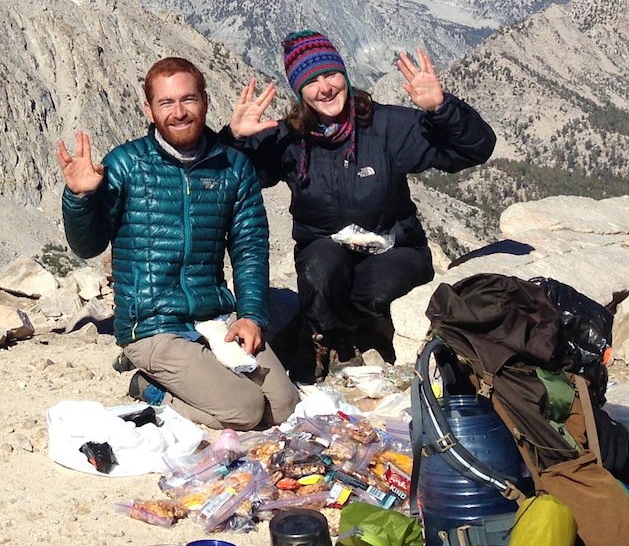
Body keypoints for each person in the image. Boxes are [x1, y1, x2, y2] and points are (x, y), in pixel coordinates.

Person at [227, 30, 496, 378]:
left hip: (396, 245)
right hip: (326, 248)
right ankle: (324, 335)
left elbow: (474, 148)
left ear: (346, 75)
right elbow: (230, 178)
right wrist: (233, 139)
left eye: (330, 74)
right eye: (311, 81)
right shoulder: (290, 139)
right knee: (319, 269)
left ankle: (352, 327)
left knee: (377, 284)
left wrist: (442, 109)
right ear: (299, 92)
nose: (325, 88)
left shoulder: (385, 126)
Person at [58, 57, 299, 430]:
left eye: (188, 99)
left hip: (214, 318)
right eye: (166, 103)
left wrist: (251, 315)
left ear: (205, 100)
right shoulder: (126, 165)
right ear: (149, 110)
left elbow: (249, 246)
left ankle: (187, 380)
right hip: (152, 325)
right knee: (246, 410)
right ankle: (152, 387)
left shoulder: (233, 168)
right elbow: (87, 246)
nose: (179, 112)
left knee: (284, 406)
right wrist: (80, 198)